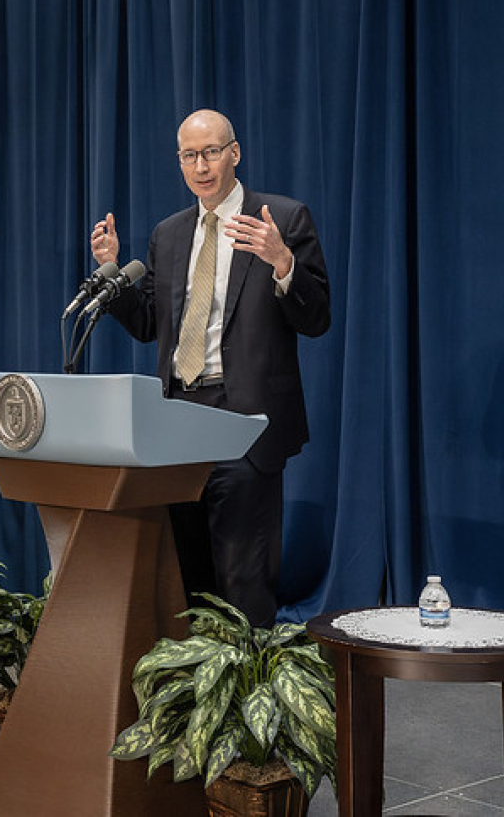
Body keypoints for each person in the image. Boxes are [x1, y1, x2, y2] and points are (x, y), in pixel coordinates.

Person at [89, 108, 330, 627]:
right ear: (180, 161)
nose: (202, 166)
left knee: (244, 580)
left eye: (212, 152)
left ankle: (246, 693)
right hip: (178, 423)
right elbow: (150, 323)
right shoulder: (170, 234)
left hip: (243, 422)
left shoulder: (281, 220)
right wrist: (112, 272)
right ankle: (198, 695)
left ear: (234, 154)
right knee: (187, 572)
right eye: (190, 155)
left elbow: (318, 319)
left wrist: (284, 264)